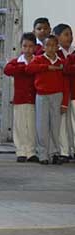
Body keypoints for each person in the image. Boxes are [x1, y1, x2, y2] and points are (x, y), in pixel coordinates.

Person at [26, 35, 68, 165]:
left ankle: (54, 153)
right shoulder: (38, 59)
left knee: (55, 126)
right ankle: (43, 154)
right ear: (43, 47)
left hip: (57, 95)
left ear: (57, 47)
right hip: (42, 95)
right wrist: (47, 67)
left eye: (53, 45)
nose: (50, 48)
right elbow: (29, 69)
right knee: (42, 125)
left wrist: (64, 103)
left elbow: (66, 83)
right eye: (48, 45)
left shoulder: (61, 62)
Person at [4, 33, 39, 163]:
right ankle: (20, 151)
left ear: (35, 47)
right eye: (25, 46)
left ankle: (31, 151)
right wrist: (26, 68)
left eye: (31, 46)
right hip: (20, 99)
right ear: (21, 46)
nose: (28, 49)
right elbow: (7, 70)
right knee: (19, 126)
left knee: (32, 126)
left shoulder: (38, 60)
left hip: (34, 99)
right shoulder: (16, 62)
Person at [54, 23, 74, 162]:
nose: (70, 37)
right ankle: (64, 151)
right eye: (66, 34)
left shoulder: (74, 52)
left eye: (71, 34)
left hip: (73, 92)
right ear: (57, 37)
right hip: (60, 92)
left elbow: (65, 69)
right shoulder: (55, 53)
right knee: (61, 124)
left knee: (73, 123)